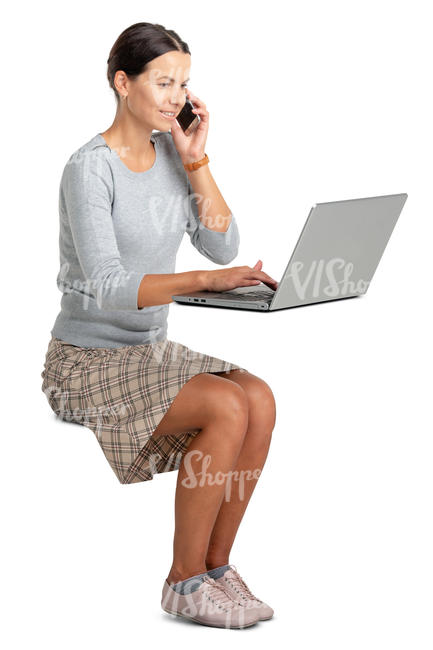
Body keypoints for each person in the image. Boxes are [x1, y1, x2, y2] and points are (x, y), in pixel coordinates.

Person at [41, 22, 277, 629]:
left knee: (258, 397)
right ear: (123, 83)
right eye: (163, 81)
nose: (176, 96)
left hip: (150, 352)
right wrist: (202, 283)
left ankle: (216, 571)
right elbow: (110, 285)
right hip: (85, 362)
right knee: (226, 405)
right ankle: (183, 580)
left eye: (184, 84)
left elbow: (223, 247)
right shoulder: (89, 169)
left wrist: (195, 158)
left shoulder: (175, 155)